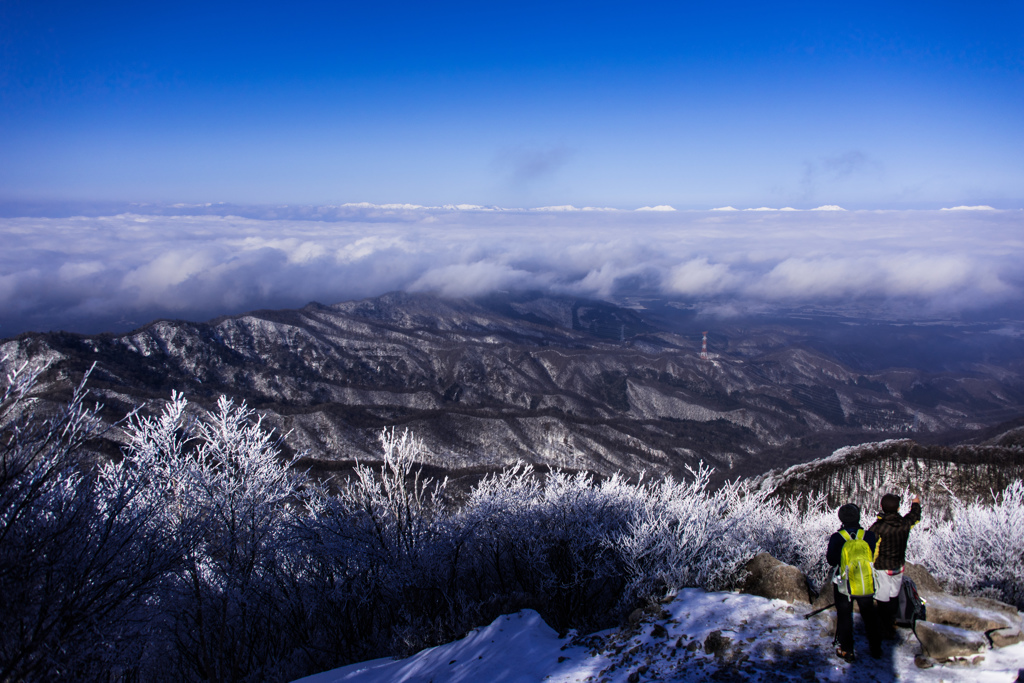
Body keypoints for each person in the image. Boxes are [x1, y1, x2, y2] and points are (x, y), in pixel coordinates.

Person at [826, 503, 882, 662]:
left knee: (844, 615)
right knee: (869, 614)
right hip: (865, 580)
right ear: (858, 517)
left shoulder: (837, 537)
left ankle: (847, 650)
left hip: (844, 581)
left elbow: (831, 560)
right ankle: (876, 648)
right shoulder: (869, 536)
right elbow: (872, 556)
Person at [868, 493, 922, 636]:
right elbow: (915, 516)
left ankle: (884, 627)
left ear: (882, 507)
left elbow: (868, 546)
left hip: (882, 567)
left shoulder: (878, 527)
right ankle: (892, 622)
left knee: (882, 598)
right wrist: (915, 503)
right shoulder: (904, 524)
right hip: (898, 565)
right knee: (893, 595)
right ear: (898, 508)